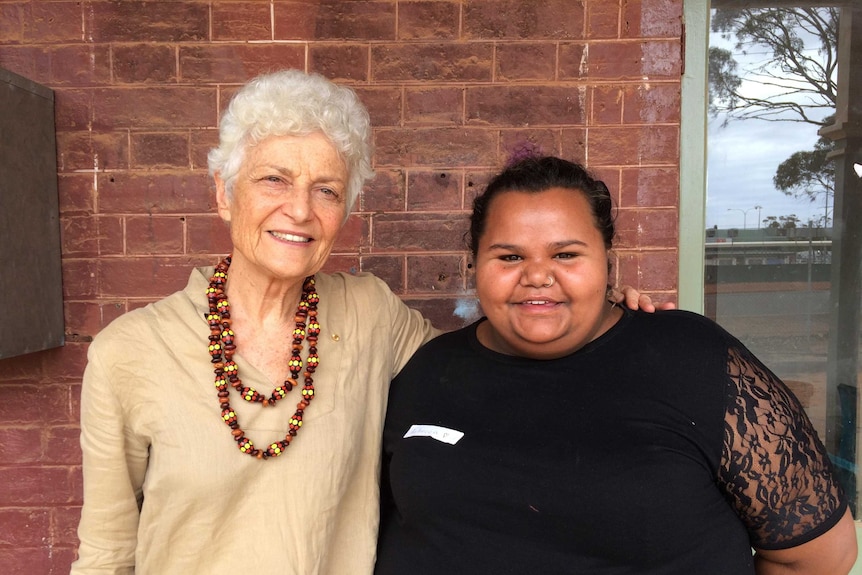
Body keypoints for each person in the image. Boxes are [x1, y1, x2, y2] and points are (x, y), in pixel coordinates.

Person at [71, 71, 660, 575]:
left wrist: (597, 318)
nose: (299, 209)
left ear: (344, 212)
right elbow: (105, 555)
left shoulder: (369, 315)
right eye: (273, 179)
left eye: (325, 189)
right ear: (223, 194)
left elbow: (493, 364)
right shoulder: (131, 352)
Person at [376, 156, 857, 575]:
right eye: (509, 256)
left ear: (608, 260)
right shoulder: (427, 370)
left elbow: (816, 557)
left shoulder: (691, 359)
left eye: (566, 254)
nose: (538, 276)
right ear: (475, 263)